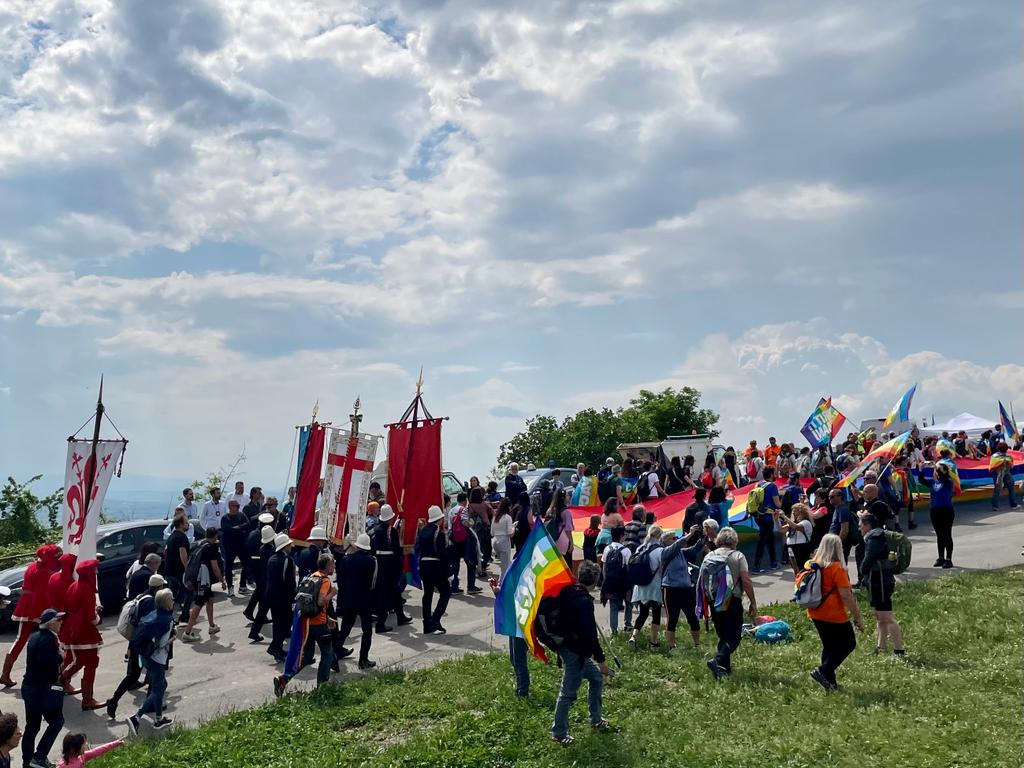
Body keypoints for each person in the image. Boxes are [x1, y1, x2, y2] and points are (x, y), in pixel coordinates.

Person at [551, 561, 611, 745]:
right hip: (574, 652)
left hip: (567, 647)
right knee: (567, 693)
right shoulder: (583, 602)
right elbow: (590, 635)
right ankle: (559, 732)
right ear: (596, 580)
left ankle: (596, 719)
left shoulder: (568, 592)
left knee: (596, 678)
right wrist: (601, 660)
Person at [273, 553, 339, 697]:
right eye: (333, 564)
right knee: (327, 654)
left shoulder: (311, 577)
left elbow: (312, 604)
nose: (334, 567)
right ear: (327, 566)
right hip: (319, 626)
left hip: (307, 624)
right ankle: (322, 688)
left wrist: (328, 618)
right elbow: (320, 601)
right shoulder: (325, 581)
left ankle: (284, 679)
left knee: (307, 657)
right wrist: (332, 593)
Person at [806, 534, 864, 691]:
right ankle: (823, 671)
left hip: (815, 611)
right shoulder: (836, 567)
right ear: (838, 548)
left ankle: (830, 683)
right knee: (849, 643)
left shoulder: (813, 565)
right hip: (833, 614)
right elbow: (846, 595)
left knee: (829, 646)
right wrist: (857, 616)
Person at [699, 527, 757, 680]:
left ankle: (723, 670)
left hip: (713, 600)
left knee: (723, 635)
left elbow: (702, 580)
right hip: (732, 599)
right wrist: (753, 602)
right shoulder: (738, 556)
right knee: (734, 637)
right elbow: (746, 580)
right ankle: (718, 660)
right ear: (734, 541)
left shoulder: (709, 556)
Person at [106, 573, 165, 720]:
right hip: (144, 643)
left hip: (135, 641)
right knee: (152, 672)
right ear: (158, 587)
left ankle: (114, 700)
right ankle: (149, 704)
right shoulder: (150, 602)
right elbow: (149, 623)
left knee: (134, 675)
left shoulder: (142, 596)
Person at [0, 545, 60, 689]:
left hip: (26, 605)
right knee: (52, 638)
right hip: (41, 606)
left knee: (20, 639)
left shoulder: (31, 567)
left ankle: (5, 674)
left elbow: (25, 587)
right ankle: (56, 677)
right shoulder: (48, 572)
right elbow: (48, 591)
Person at [126, 589, 176, 734]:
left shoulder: (153, 615)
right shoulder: (166, 620)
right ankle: (136, 717)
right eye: (171, 599)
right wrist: (173, 637)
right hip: (157, 659)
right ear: (166, 603)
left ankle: (159, 718)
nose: (173, 601)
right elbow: (161, 643)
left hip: (145, 656)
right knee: (158, 689)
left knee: (161, 686)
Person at [21, 609, 66, 768]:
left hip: (29, 687)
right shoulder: (48, 640)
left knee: (32, 727)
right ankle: (39, 757)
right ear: (50, 623)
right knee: (57, 721)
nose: (61, 623)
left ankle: (27, 762)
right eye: (58, 620)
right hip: (41, 691)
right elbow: (47, 662)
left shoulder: (34, 636)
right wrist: (60, 656)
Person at [59, 559, 105, 710]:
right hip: (84, 631)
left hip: (72, 628)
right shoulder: (87, 590)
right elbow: (90, 618)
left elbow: (70, 608)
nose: (97, 572)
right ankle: (87, 700)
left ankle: (60, 682)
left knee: (79, 661)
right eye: (95, 570)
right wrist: (97, 615)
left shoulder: (73, 585)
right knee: (90, 664)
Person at [858, 514, 905, 657]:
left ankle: (899, 650)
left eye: (861, 525)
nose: (860, 529)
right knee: (879, 616)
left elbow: (869, 558)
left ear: (867, 525)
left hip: (880, 581)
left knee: (887, 617)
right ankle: (880, 647)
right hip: (880, 580)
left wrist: (863, 570)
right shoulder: (879, 535)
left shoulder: (874, 538)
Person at [333, 534, 378, 669]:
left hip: (349, 598)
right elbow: (373, 583)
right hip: (365, 599)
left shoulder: (346, 559)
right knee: (367, 630)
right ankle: (363, 660)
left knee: (345, 629)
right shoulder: (372, 560)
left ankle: (333, 655)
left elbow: (341, 580)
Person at [660, 528, 705, 649]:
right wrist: (690, 534)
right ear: (666, 541)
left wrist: (702, 538)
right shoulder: (666, 552)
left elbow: (695, 549)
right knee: (672, 618)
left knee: (692, 617)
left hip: (686, 589)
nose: (676, 539)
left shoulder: (682, 552)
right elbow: (677, 544)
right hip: (670, 589)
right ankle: (671, 646)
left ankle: (697, 644)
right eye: (673, 538)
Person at [180, 528, 226, 643]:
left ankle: (212, 626)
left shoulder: (198, 545)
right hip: (202, 581)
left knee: (210, 599)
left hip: (195, 578)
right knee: (198, 604)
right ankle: (187, 633)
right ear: (215, 536)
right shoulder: (210, 548)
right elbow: (215, 568)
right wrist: (222, 580)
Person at [371, 505, 412, 632]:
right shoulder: (391, 531)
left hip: (379, 562)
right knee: (390, 592)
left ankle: (400, 616)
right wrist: (400, 564)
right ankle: (381, 624)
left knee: (392, 592)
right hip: (390, 564)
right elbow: (396, 550)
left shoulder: (374, 530)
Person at [415, 506, 452, 634]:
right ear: (439, 519)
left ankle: (427, 623)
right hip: (435, 566)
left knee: (428, 594)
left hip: (423, 566)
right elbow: (442, 554)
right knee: (446, 592)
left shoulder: (423, 531)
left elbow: (417, 548)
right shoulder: (439, 533)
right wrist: (449, 572)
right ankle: (435, 619)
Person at [628, 525, 665, 650]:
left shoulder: (640, 548)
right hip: (654, 585)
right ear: (660, 536)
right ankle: (653, 642)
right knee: (656, 614)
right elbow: (662, 569)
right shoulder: (660, 551)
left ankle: (633, 637)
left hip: (641, 586)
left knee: (643, 614)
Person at [264, 533, 296, 663]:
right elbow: (289, 582)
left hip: (271, 596)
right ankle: (275, 646)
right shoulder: (287, 560)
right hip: (283, 597)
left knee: (277, 623)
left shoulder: (271, 559)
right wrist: (293, 597)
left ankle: (278, 648)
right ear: (285, 546)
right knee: (285, 624)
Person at [245, 522, 277, 641]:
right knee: (269, 608)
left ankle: (254, 631)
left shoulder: (262, 549)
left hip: (263, 581)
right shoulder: (271, 550)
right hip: (269, 582)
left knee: (264, 608)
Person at [599, 527, 631, 634]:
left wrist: (606, 580)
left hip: (610, 582)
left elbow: (604, 567)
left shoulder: (607, 549)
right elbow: (628, 569)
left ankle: (614, 631)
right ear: (621, 536)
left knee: (613, 606)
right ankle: (628, 624)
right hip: (623, 582)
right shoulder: (626, 551)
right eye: (625, 534)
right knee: (628, 603)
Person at [220, 499, 250, 597]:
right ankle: (230, 587)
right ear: (230, 507)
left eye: (238, 506)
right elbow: (227, 530)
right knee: (228, 567)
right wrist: (240, 529)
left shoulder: (242, 515)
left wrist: (237, 528)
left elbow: (247, 525)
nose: (237, 508)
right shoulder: (225, 518)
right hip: (229, 546)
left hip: (241, 544)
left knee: (246, 564)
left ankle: (242, 585)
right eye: (236, 506)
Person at [752, 467, 781, 572]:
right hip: (768, 517)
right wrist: (783, 498)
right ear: (771, 474)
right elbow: (777, 504)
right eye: (775, 473)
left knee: (769, 539)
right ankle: (756, 567)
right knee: (763, 541)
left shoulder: (758, 484)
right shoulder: (772, 486)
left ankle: (774, 563)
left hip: (758, 516)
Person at [929, 462, 957, 568]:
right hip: (935, 511)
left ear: (945, 471)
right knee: (939, 535)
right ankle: (940, 557)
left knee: (947, 534)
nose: (937, 470)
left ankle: (948, 559)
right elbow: (922, 480)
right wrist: (921, 469)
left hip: (946, 511)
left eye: (940, 469)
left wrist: (936, 467)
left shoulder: (948, 481)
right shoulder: (933, 482)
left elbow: (943, 476)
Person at [164, 515, 191, 623]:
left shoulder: (171, 537)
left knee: (172, 597)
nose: (188, 524)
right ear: (181, 524)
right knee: (189, 592)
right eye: (186, 522)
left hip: (169, 571)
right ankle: (185, 616)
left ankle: (168, 618)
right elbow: (183, 554)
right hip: (179, 571)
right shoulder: (181, 537)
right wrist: (188, 570)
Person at [779, 503, 814, 575]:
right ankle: (798, 580)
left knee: (802, 568)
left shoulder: (806, 522)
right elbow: (781, 529)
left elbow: (796, 527)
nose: (793, 513)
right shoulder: (792, 523)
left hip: (801, 547)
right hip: (791, 547)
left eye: (795, 511)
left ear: (801, 512)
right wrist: (776, 518)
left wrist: (784, 516)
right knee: (795, 568)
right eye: (793, 511)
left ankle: (804, 580)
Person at [57, 733, 123, 768]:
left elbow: (97, 751)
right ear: (74, 748)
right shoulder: (64, 766)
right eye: (83, 745)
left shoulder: (81, 756)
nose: (85, 746)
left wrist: (115, 743)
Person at [467, 487, 493, 571]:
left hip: (476, 529)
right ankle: (484, 563)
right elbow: (491, 511)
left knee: (478, 548)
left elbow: (469, 517)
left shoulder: (470, 506)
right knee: (487, 546)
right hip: (486, 526)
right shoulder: (484, 504)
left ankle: (479, 565)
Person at [990, 442, 1020, 511]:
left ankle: (995, 506)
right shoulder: (1009, 457)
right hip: (1007, 473)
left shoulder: (994, 456)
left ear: (998, 448)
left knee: (997, 490)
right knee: (1011, 489)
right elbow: (1012, 466)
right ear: (1006, 449)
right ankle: (1013, 504)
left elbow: (991, 467)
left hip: (997, 474)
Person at [490, 498, 515, 578]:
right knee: (505, 566)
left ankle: (502, 581)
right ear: (508, 507)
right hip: (504, 541)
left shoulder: (495, 517)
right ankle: (502, 582)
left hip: (495, 541)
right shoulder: (507, 517)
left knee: (503, 564)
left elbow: (492, 532)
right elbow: (510, 533)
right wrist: (514, 527)